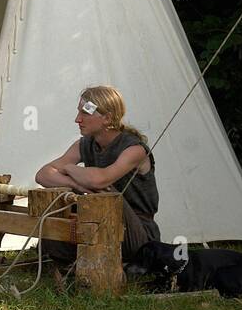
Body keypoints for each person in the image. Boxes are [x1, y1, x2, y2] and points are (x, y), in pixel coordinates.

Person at [34, 85, 160, 265]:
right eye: (79, 112)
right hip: (99, 222)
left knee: (108, 194)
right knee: (62, 205)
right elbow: (43, 175)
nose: (78, 119)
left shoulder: (134, 149)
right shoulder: (84, 144)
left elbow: (99, 180)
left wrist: (69, 167)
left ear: (107, 118)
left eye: (85, 113)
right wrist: (77, 186)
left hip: (138, 235)